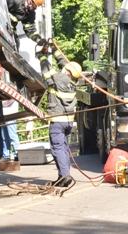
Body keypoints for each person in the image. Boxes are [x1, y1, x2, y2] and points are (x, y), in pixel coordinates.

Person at [39, 48, 81, 187]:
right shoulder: (73, 81)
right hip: (68, 122)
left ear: (67, 72)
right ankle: (62, 176)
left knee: (57, 149)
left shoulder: (60, 79)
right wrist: (55, 49)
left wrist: (41, 56)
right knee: (63, 149)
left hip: (57, 121)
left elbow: (47, 71)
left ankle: (64, 176)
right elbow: (65, 64)